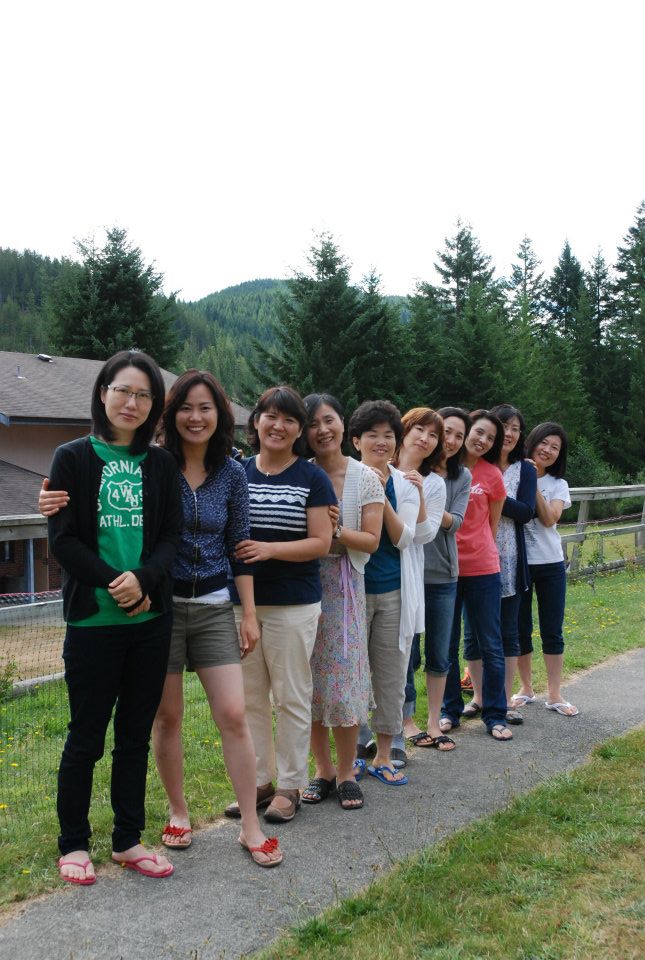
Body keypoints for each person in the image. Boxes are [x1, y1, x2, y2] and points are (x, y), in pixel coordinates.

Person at [44, 350, 182, 885]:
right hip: (92, 622)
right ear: (103, 393)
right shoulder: (72, 458)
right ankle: (73, 843)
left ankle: (127, 839)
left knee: (134, 736)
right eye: (123, 390)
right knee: (86, 736)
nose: (132, 402)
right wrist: (115, 583)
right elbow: (64, 541)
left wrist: (143, 580)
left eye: (144, 395)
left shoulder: (161, 464)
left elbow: (170, 537)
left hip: (149, 622)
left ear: (154, 406)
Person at [229, 386, 337, 822]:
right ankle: (259, 781)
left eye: (290, 419)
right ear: (256, 421)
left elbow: (321, 542)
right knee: (249, 698)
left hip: (293, 605)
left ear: (299, 431)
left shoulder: (312, 478)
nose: (279, 426)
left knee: (291, 696)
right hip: (241, 605)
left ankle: (291, 784)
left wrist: (270, 550)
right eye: (270, 416)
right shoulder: (236, 473)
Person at [300, 393, 384, 810]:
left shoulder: (366, 477)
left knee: (343, 681)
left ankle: (347, 771)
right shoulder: (299, 473)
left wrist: (334, 532)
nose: (322, 430)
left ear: (342, 423)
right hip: (301, 585)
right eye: (313, 423)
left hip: (345, 586)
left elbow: (372, 540)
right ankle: (323, 770)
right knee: (309, 683)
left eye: (328, 420)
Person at [349, 400, 424, 786]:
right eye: (372, 435)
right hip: (352, 590)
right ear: (356, 441)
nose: (381, 442)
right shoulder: (344, 477)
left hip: (393, 590)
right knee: (351, 673)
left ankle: (384, 753)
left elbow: (404, 537)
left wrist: (382, 495)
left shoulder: (404, 482)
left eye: (388, 435)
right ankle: (352, 754)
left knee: (391, 673)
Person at [463, 404, 537, 725]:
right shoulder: (474, 464)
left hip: (510, 559)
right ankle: (478, 697)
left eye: (515, 428)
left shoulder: (524, 470)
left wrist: (492, 493)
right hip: (474, 558)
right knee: (472, 634)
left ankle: (504, 701)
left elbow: (526, 512)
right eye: (504, 426)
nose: (509, 433)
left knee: (507, 631)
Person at [403, 407, 472, 751]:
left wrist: (431, 499)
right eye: (445, 432)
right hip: (407, 574)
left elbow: (453, 523)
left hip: (442, 574)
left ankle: (434, 720)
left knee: (440, 652)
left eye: (459, 436)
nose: (450, 440)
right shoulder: (404, 471)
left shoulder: (456, 478)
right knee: (406, 653)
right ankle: (406, 720)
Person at [442, 409, 512, 741]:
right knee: (446, 643)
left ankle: (495, 714)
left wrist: (479, 550)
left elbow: (492, 525)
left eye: (490, 438)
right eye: (479, 432)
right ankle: (449, 710)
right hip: (445, 569)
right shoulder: (442, 469)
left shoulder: (492, 475)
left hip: (483, 568)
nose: (483, 440)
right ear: (466, 431)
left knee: (491, 643)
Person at [389, 408, 446, 764]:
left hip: (406, 575)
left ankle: (395, 730)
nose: (425, 438)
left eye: (433, 435)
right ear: (405, 430)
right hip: (369, 572)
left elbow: (425, 535)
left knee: (400, 655)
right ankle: (362, 736)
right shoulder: (376, 467)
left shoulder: (434, 482)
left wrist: (420, 493)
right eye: (419, 430)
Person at [512, 422, 578, 717]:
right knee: (520, 628)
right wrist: (525, 474)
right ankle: (526, 689)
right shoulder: (513, 473)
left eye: (555, 448)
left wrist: (533, 482)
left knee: (552, 630)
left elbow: (550, 518)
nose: (548, 450)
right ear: (533, 441)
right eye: (544, 443)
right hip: (518, 562)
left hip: (550, 563)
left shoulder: (558, 484)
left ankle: (554, 694)